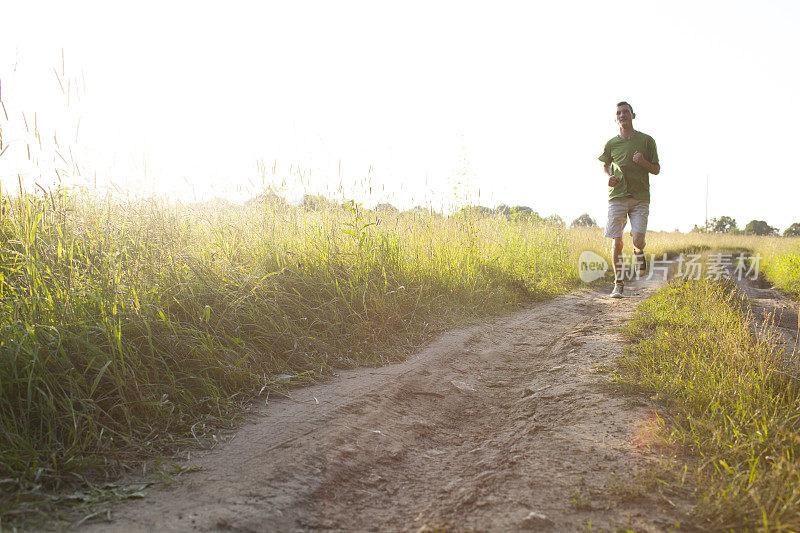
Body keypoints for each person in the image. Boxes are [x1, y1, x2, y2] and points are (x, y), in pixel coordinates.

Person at [598, 101, 659, 298]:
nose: (622, 115)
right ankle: (618, 283)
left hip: (640, 197)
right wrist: (609, 176)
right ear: (615, 118)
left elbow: (656, 169)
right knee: (617, 241)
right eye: (619, 113)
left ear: (633, 115)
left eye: (626, 112)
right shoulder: (611, 144)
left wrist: (642, 162)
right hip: (617, 196)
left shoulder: (647, 141)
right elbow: (606, 165)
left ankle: (638, 251)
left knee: (638, 239)